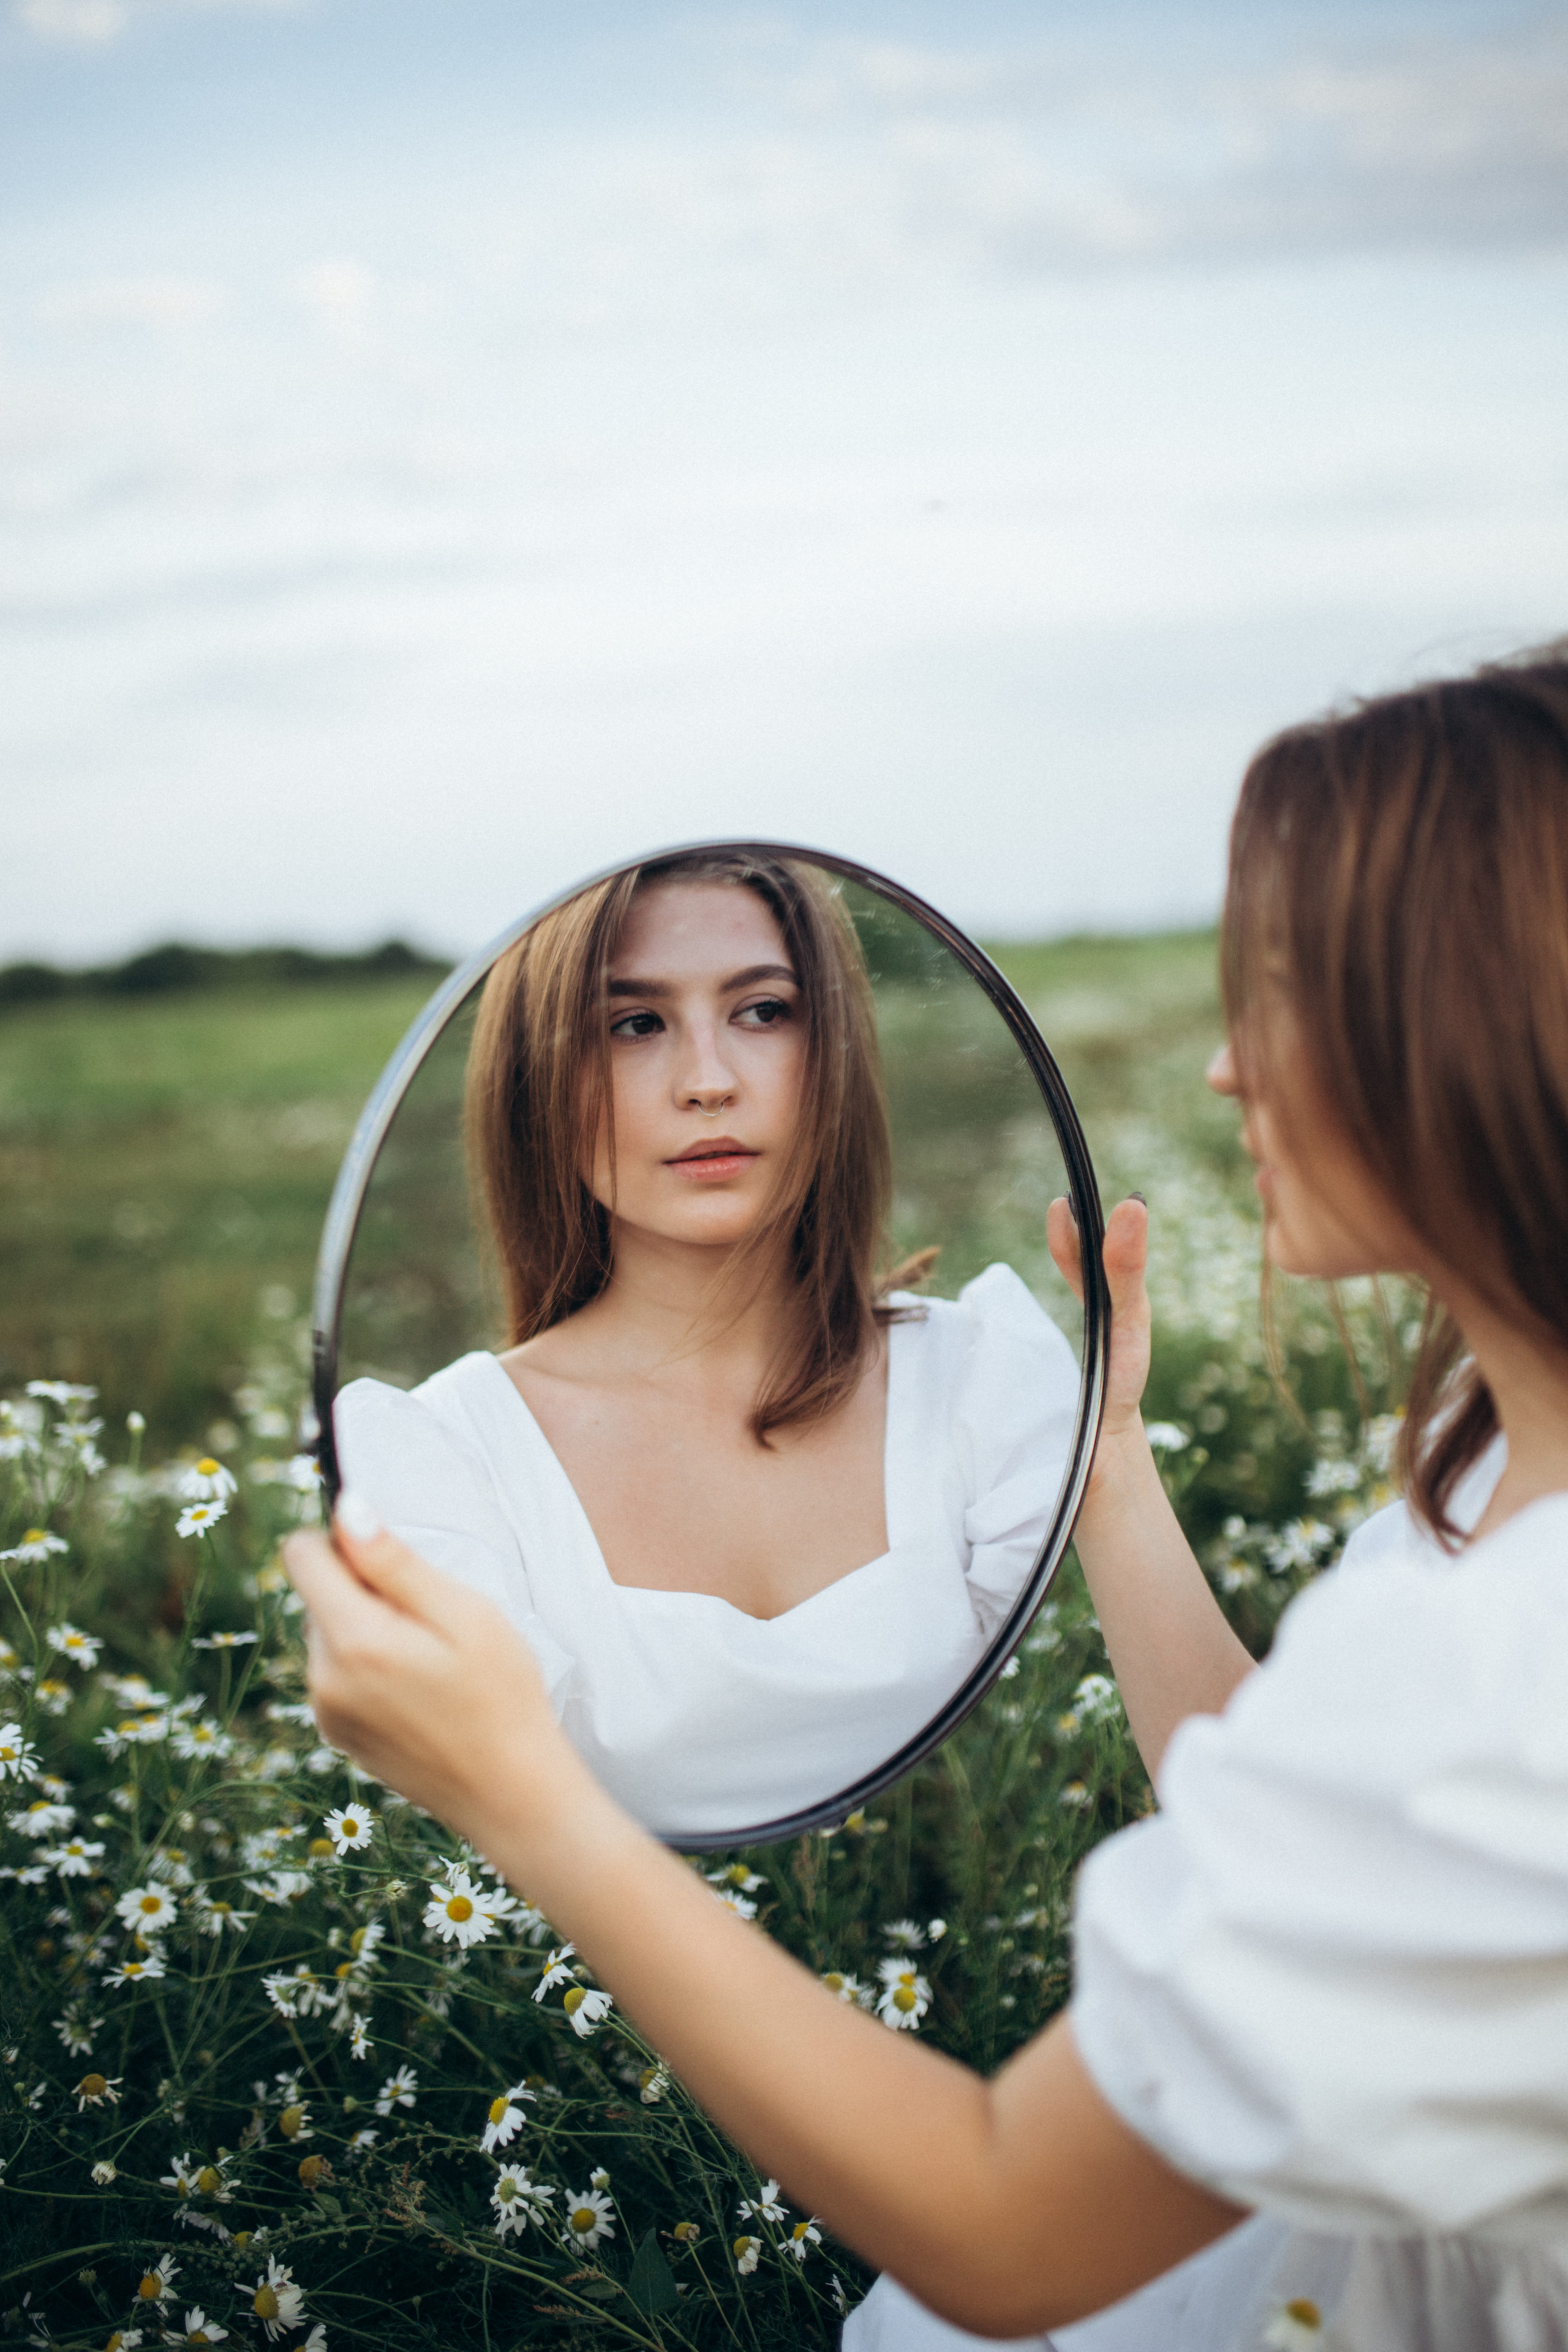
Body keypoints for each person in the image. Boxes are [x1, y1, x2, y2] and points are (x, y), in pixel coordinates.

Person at [288, 647, 1568, 2350]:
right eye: (633, 1023)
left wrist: (529, 1801)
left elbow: (1004, 2228)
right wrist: (1111, 1467)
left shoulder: (1514, 1664)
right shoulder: (1485, 1480)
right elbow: (1315, 1829)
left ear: (1496, 1027)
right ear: (542, 1069)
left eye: (1300, 986)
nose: (1225, 1073)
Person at [334, 849, 1081, 1832]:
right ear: (538, 1081)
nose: (709, 1082)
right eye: (633, 1024)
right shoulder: (447, 1466)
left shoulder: (984, 1380)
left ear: (835, 1050)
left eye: (764, 1011)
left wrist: (1115, 1459)